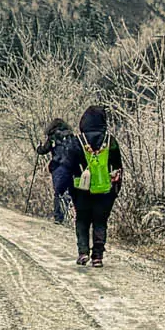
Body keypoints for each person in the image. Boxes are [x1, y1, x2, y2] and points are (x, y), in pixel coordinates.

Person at [70, 105, 123, 268]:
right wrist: (115, 190)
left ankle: (83, 252)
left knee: (82, 221)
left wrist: (71, 192)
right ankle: (98, 256)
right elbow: (118, 167)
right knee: (100, 222)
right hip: (105, 190)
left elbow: (69, 167)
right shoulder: (110, 141)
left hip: (82, 190)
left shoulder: (77, 141)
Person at [36, 117, 76, 224]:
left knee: (58, 192)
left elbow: (43, 150)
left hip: (58, 166)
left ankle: (59, 217)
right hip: (71, 167)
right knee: (68, 192)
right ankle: (67, 213)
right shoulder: (71, 136)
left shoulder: (53, 137)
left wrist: (38, 148)